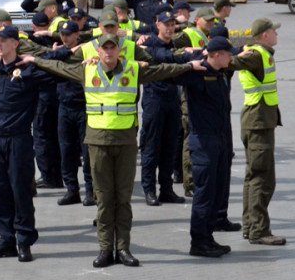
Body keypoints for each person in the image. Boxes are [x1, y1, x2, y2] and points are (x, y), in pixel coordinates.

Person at [22, 34, 201, 268]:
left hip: (125, 142)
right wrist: (34, 60)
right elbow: (58, 67)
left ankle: (123, 248)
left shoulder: (133, 70)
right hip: (97, 143)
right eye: (104, 48)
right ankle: (106, 249)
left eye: (112, 48)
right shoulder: (86, 71)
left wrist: (189, 65)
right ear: (97, 52)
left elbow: (163, 70)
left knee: (123, 198)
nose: (108, 52)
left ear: (119, 51)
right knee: (104, 199)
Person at [0, 26, 56, 262]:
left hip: (19, 139)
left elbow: (57, 76)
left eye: (3, 40)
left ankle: (24, 240)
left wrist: (38, 60)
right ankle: (5, 239)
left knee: (20, 191)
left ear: (15, 44)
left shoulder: (27, 70)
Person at [177, 36, 242, 257]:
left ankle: (209, 238)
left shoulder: (220, 73)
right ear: (215, 55)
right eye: (227, 53)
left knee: (216, 190)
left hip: (220, 139)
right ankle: (199, 242)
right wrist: (188, 61)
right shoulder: (197, 74)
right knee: (204, 194)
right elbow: (169, 74)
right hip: (204, 142)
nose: (230, 56)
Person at [234, 18, 286, 246]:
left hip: (259, 121)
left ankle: (250, 226)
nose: (276, 35)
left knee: (254, 176)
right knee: (262, 179)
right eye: (274, 31)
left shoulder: (260, 54)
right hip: (258, 122)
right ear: (265, 35)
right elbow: (233, 62)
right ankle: (258, 230)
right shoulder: (256, 55)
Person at [136, 11, 186, 207]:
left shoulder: (172, 43)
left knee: (169, 147)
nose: (170, 27)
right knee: (151, 147)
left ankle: (166, 189)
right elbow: (166, 58)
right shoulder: (149, 45)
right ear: (157, 24)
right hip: (154, 100)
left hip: (172, 99)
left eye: (172, 24)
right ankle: (149, 190)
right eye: (166, 24)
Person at [42, 21, 95, 206]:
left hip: (83, 107)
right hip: (64, 107)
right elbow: (47, 58)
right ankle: (72, 190)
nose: (65, 37)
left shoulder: (86, 51)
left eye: (69, 34)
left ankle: (90, 191)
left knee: (87, 153)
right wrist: (66, 51)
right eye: (62, 34)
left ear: (77, 34)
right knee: (66, 151)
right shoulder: (61, 52)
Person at [172, 7, 216, 196]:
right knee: (190, 138)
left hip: (202, 93)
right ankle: (189, 182)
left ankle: (195, 179)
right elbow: (172, 46)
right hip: (190, 93)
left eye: (212, 21)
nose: (211, 23)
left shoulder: (205, 36)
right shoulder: (188, 33)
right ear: (197, 20)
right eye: (207, 20)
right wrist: (186, 51)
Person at [28, 11, 63, 189]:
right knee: (56, 137)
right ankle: (57, 175)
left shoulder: (31, 42)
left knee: (42, 137)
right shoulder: (57, 40)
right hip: (57, 94)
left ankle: (49, 177)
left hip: (42, 96)